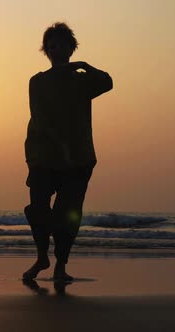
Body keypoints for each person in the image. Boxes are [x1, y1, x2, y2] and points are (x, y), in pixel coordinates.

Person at [23, 22, 113, 281]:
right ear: (46, 51)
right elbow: (39, 117)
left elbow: (107, 82)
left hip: (79, 158)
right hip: (44, 155)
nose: (56, 50)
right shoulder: (38, 82)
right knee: (38, 207)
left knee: (69, 214)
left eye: (61, 45)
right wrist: (57, 143)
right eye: (51, 46)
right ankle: (42, 257)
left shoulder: (81, 80)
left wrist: (84, 66)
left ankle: (61, 265)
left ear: (71, 48)